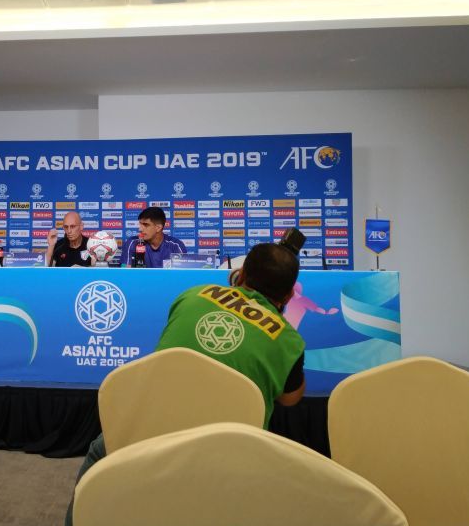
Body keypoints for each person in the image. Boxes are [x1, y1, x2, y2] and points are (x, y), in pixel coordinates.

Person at [65, 242, 305, 525]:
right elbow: (290, 399)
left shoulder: (192, 295)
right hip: (227, 456)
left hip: (149, 436)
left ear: (241, 275)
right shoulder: (289, 342)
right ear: (290, 293)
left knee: (99, 451)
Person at [119, 206, 186, 267]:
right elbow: (126, 273)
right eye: (140, 224)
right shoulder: (132, 243)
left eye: (146, 225)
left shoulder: (175, 246)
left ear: (158, 228)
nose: (140, 229)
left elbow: (183, 275)